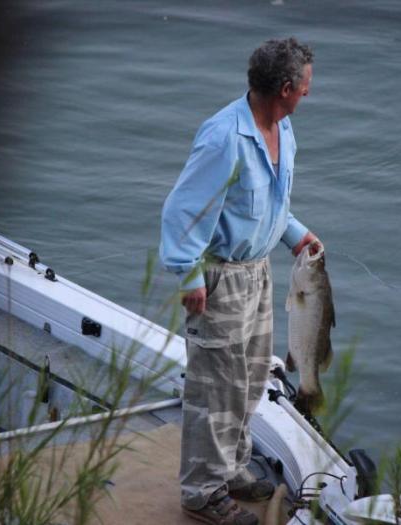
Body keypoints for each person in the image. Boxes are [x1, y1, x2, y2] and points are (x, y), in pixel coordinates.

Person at [160, 37, 321, 525]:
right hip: (220, 278)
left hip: (259, 274)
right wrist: (190, 275)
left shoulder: (283, 128)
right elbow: (181, 210)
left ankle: (229, 469)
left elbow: (273, 202)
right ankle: (201, 491)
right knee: (215, 387)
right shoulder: (224, 137)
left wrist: (294, 235)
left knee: (250, 380)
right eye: (307, 86)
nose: (309, 95)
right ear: (287, 88)